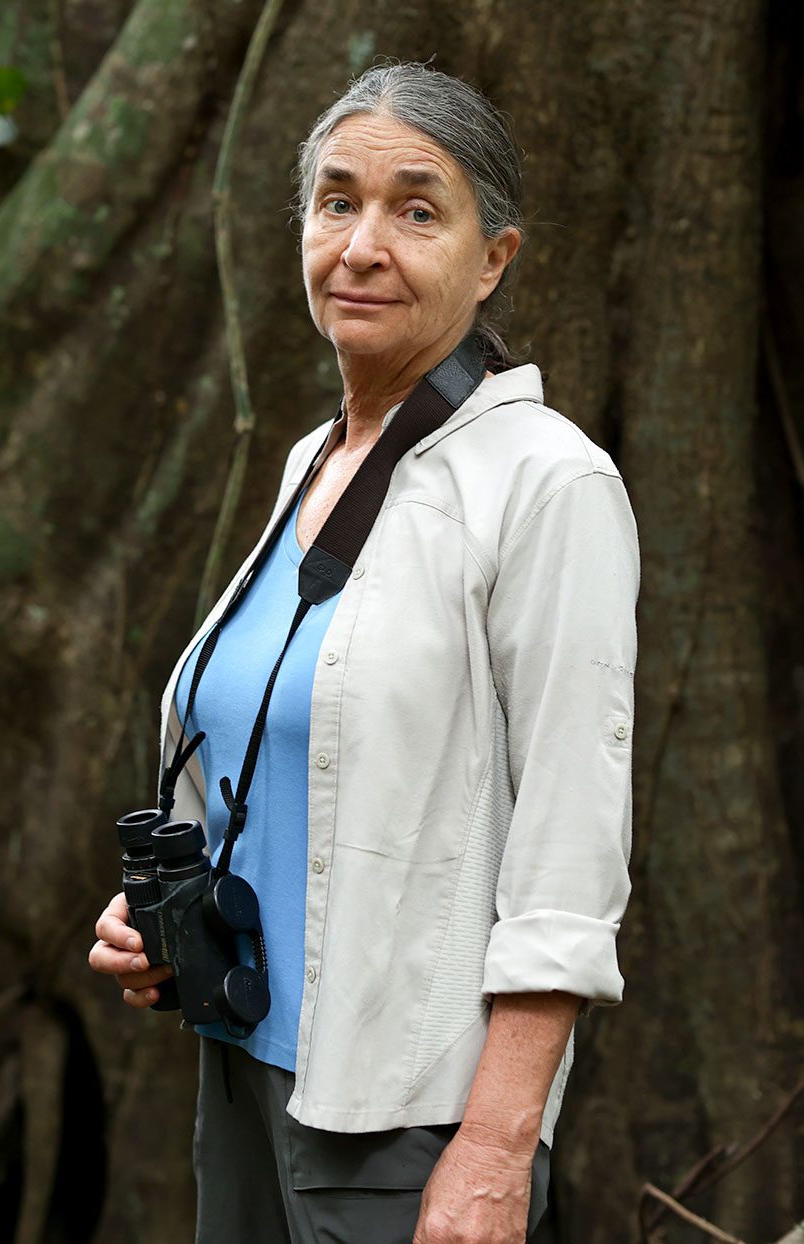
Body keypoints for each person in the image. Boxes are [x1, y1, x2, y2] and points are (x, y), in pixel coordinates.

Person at [88, 61, 640, 1244]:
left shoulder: (549, 482)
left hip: (404, 1118)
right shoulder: (311, 464)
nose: (363, 244)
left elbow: (569, 849)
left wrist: (495, 1144)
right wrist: (163, 920)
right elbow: (294, 758)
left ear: (494, 257)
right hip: (243, 1070)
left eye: (417, 208)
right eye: (337, 202)